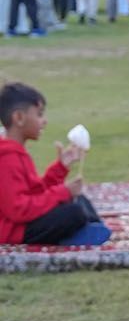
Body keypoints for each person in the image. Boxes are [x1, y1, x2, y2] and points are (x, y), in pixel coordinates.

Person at [0, 82, 110, 246]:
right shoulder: (6, 159)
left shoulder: (17, 153)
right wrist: (62, 192)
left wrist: (60, 168)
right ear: (19, 118)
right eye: (39, 115)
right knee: (72, 211)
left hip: (24, 221)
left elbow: (36, 192)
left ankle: (90, 229)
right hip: (15, 231)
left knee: (77, 199)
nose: (44, 121)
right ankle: (78, 234)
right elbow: (19, 209)